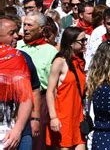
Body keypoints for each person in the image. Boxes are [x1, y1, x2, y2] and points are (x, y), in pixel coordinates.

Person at [17, 11, 59, 149]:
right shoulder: (16, 46)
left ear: (41, 29)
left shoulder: (50, 51)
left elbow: (54, 84)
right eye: (24, 25)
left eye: (30, 25)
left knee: (37, 141)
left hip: (40, 102)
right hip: (16, 100)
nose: (26, 28)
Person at [0, 16, 40, 150]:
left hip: (19, 130)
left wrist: (34, 119)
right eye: (11, 33)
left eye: (17, 32)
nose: (17, 36)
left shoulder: (22, 58)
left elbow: (29, 94)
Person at [45, 27, 87, 149]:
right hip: (63, 117)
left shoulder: (80, 61)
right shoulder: (60, 62)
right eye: (82, 40)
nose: (85, 43)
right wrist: (53, 117)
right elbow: (50, 91)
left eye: (85, 40)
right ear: (70, 42)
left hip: (77, 116)